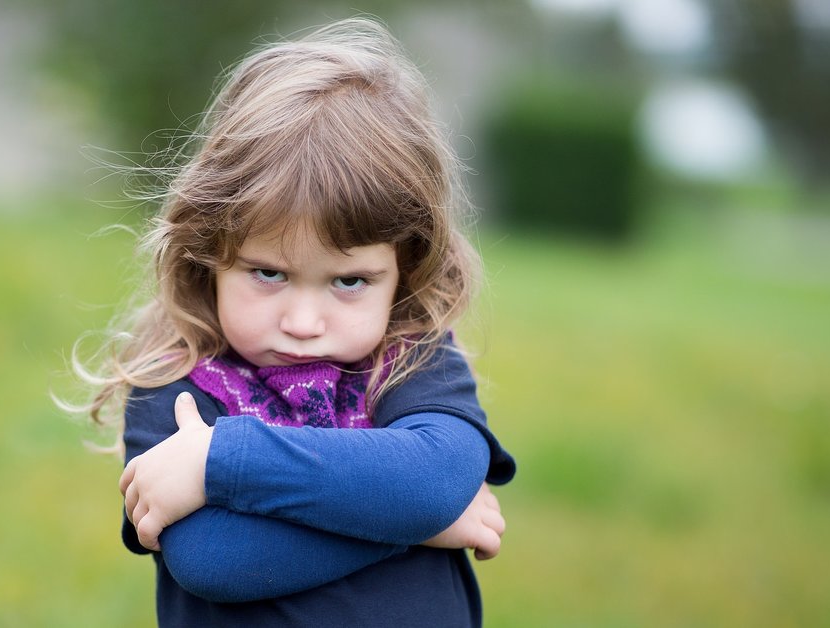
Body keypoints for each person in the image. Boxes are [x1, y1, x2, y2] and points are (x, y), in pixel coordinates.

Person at [75, 17, 516, 627]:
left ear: (407, 265)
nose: (304, 322)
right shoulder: (175, 382)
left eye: (349, 282)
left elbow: (436, 478)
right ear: (208, 252)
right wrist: (420, 523)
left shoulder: (414, 358)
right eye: (268, 273)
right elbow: (217, 559)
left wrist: (220, 461)